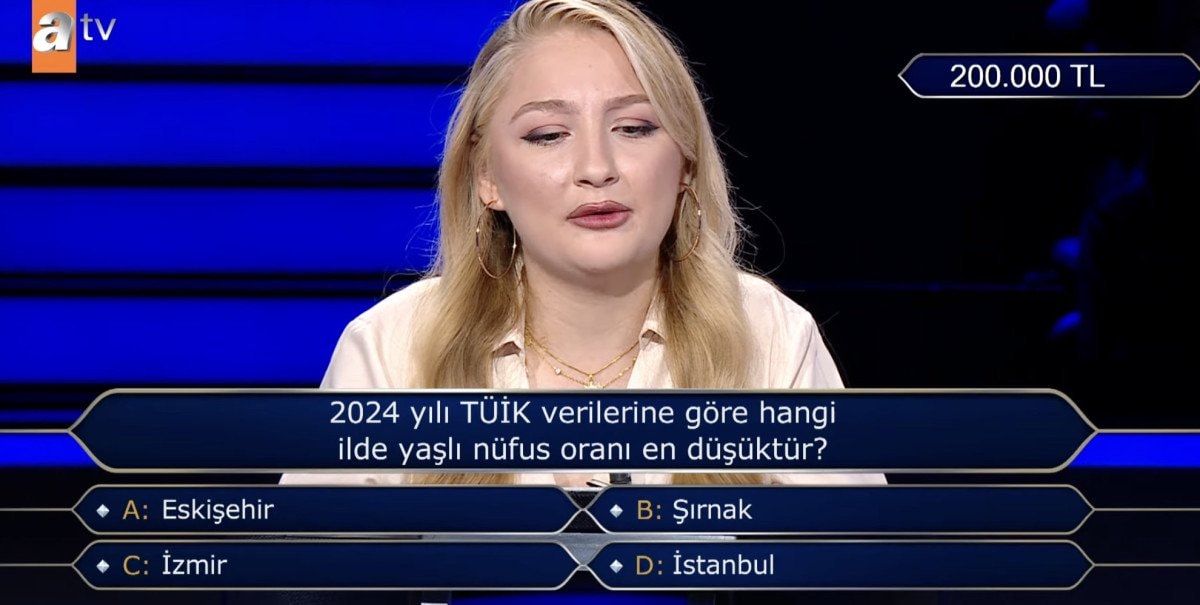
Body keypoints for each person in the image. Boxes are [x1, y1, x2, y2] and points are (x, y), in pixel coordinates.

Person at [282, 0, 884, 488]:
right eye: (548, 135)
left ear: (685, 164)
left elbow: (861, 570)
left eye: (634, 127)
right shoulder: (392, 348)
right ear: (487, 176)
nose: (597, 168)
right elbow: (307, 574)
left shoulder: (769, 334)